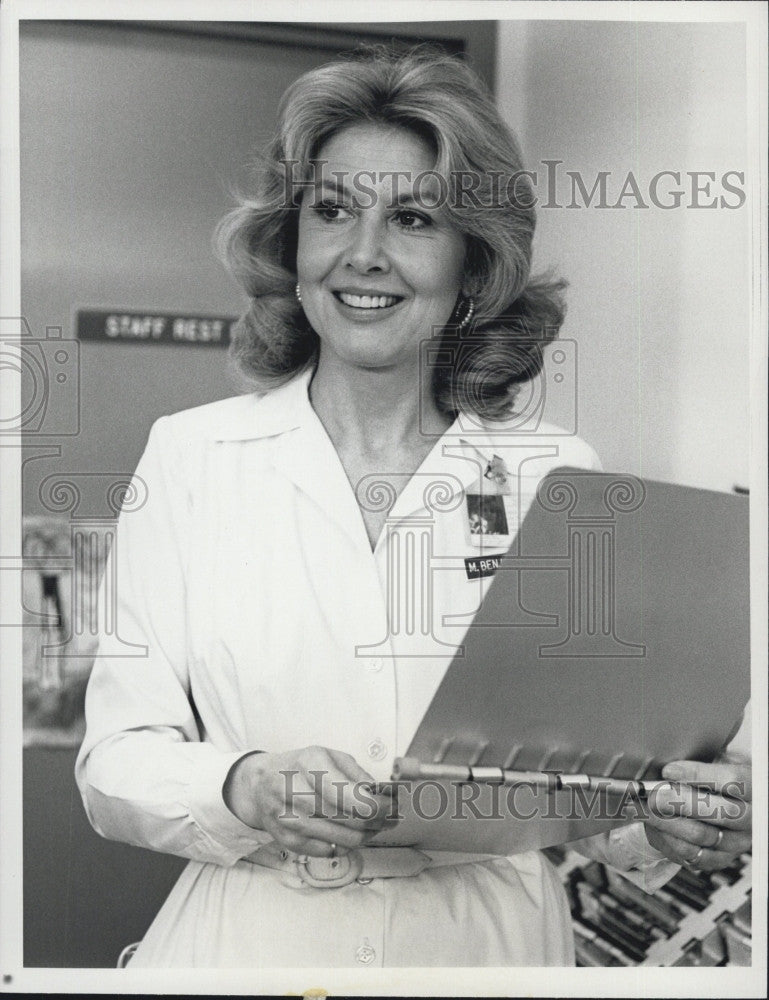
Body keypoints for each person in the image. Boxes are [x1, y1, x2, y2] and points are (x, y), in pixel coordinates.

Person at [75, 47, 751, 968]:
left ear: (473, 263)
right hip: (252, 942)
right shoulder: (192, 457)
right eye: (333, 211)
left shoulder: (553, 475)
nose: (364, 254)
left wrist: (667, 822)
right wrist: (242, 782)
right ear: (293, 243)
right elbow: (115, 762)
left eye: (414, 218)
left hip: (487, 950)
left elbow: (591, 794)